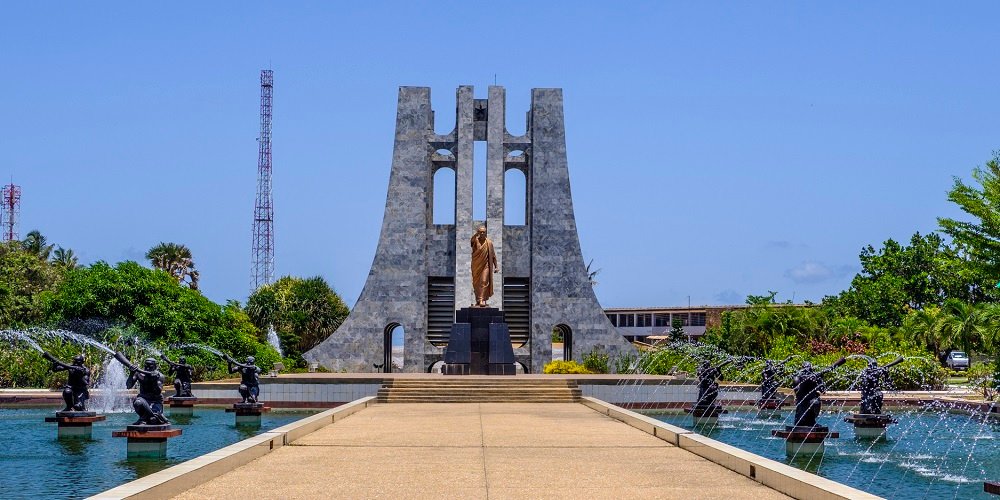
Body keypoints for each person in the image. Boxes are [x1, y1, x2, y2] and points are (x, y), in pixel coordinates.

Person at [792, 358, 846, 428]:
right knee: (807, 405)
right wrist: (805, 383)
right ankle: (802, 422)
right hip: (802, 403)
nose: (808, 372)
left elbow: (823, 390)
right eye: (805, 370)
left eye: (809, 369)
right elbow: (797, 392)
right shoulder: (798, 377)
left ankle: (812, 421)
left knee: (815, 402)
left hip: (812, 401)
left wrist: (817, 382)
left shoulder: (815, 377)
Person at [123, 356, 169, 425]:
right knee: (138, 402)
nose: (147, 368)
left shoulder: (160, 376)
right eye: (146, 366)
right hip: (143, 399)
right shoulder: (139, 373)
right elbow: (128, 386)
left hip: (155, 401)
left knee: (153, 420)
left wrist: (154, 381)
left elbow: (158, 392)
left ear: (155, 366)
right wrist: (131, 373)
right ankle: (144, 419)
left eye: (150, 366)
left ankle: (145, 419)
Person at [470, 226, 498, 307]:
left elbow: (493, 256)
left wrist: (496, 266)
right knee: (476, 283)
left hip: (486, 265)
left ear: (486, 233)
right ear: (478, 233)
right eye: (480, 232)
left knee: (484, 281)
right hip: (476, 265)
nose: (482, 233)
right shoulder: (475, 241)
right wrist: (476, 234)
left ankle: (481, 299)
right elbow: (471, 242)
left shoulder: (489, 243)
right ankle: (478, 300)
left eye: (483, 232)